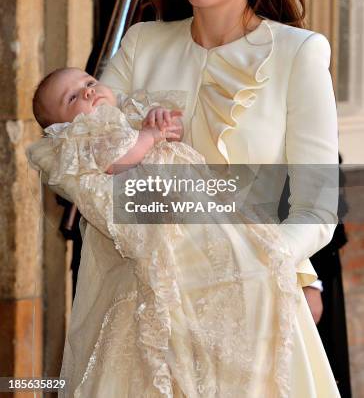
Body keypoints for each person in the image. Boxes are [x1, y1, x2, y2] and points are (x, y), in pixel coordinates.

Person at [100, 0, 340, 397]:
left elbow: (316, 205)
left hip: (256, 312)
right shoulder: (140, 44)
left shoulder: (299, 53)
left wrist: (260, 265)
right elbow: (94, 166)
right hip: (146, 314)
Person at [28, 68, 303, 397]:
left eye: (89, 83)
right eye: (72, 97)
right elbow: (116, 159)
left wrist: (160, 122)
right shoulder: (86, 136)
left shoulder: (128, 111)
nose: (87, 92)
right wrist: (147, 137)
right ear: (60, 126)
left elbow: (174, 132)